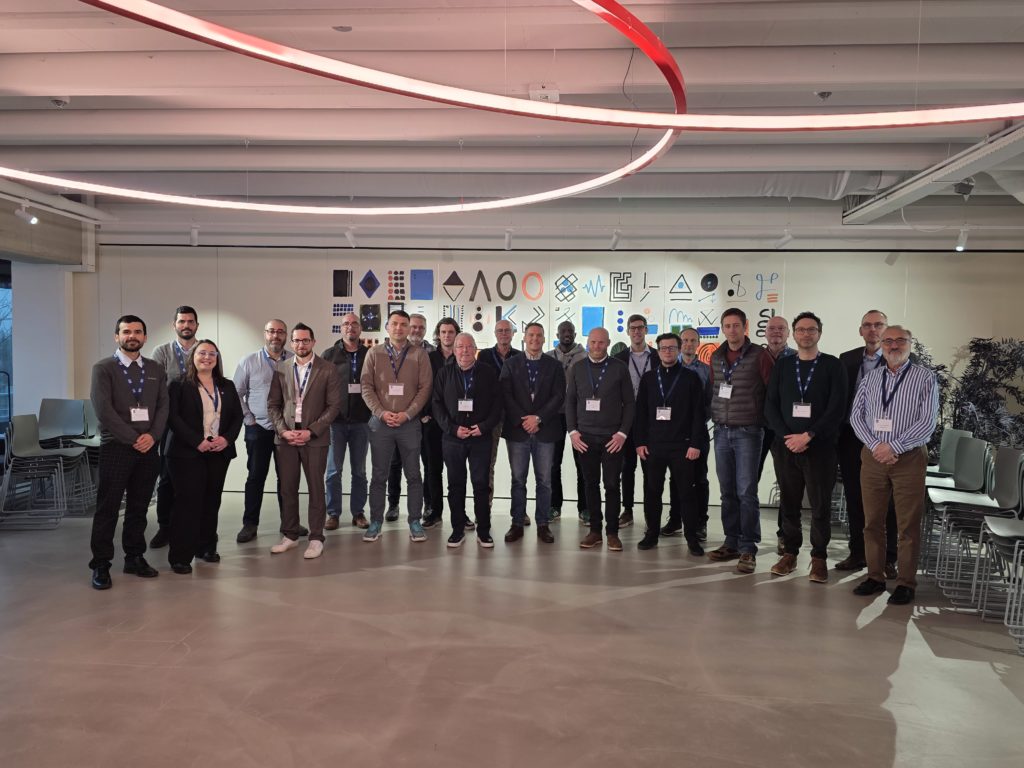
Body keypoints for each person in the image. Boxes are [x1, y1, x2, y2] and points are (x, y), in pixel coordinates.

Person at [850, 325, 938, 605]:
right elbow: (856, 417)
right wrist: (876, 446)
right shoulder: (871, 378)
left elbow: (927, 423)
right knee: (872, 522)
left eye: (900, 340)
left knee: (907, 525)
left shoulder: (925, 377)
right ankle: (875, 577)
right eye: (888, 341)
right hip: (873, 457)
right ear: (882, 344)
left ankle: (905, 583)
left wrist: (894, 447)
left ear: (910, 343)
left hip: (908, 458)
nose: (893, 345)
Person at [763, 312, 847, 582]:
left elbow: (837, 407)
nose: (806, 334)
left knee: (820, 505)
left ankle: (819, 558)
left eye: (811, 330)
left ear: (819, 333)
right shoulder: (783, 366)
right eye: (801, 330)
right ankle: (789, 554)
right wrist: (788, 436)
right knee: (789, 503)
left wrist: (809, 435)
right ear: (794, 334)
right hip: (786, 446)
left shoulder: (833, 365)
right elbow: (770, 405)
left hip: (820, 447)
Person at [88, 315, 168, 590]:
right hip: (116, 447)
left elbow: (163, 406)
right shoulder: (104, 368)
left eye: (137, 332)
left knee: (139, 507)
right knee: (108, 508)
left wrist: (152, 436)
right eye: (126, 331)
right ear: (117, 336)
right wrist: (134, 438)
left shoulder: (155, 368)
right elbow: (104, 411)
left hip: (148, 448)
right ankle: (101, 564)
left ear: (145, 337)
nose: (132, 336)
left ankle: (134, 557)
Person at [165, 339, 243, 573]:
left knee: (212, 501)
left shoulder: (227, 385)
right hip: (186, 453)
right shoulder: (179, 385)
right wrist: (196, 441)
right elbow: (173, 418)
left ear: (217, 359)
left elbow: (237, 417)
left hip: (218, 452)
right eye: (202, 353)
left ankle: (206, 547)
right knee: (187, 503)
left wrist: (226, 439)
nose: (207, 357)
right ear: (193, 357)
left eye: (212, 354)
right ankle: (180, 556)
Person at [707, 308, 774, 574]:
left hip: (748, 431)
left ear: (745, 327)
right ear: (723, 328)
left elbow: (771, 391)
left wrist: (762, 420)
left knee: (746, 491)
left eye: (736, 325)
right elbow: (714, 390)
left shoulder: (760, 355)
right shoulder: (716, 356)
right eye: (727, 326)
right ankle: (731, 542)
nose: (732, 330)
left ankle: (748, 548)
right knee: (727, 491)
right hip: (721, 431)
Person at [267, 323, 341, 559]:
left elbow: (333, 407)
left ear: (313, 342)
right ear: (291, 343)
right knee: (288, 488)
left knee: (316, 489)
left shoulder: (327, 369)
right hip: (287, 439)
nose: (301, 344)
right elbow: (273, 405)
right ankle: (289, 535)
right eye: (297, 340)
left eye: (305, 340)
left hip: (315, 439)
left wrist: (312, 431)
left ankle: (316, 538)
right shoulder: (281, 368)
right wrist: (283, 431)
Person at [361, 310, 433, 543]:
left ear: (409, 328)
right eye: (395, 324)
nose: (399, 328)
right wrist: (381, 413)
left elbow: (425, 388)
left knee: (413, 475)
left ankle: (414, 521)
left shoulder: (420, 354)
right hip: (381, 424)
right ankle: (375, 521)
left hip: (409, 424)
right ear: (387, 327)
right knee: (378, 476)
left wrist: (407, 414)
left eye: (404, 324)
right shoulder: (374, 353)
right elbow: (366, 387)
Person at [836, 310, 900, 575]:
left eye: (878, 325)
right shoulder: (847, 359)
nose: (873, 329)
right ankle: (857, 553)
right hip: (852, 437)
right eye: (867, 325)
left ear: (886, 330)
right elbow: (841, 397)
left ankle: (888, 558)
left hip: (886, 441)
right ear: (860, 330)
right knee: (854, 497)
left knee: (888, 501)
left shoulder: (900, 358)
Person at [634, 333, 706, 554]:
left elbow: (698, 414)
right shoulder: (648, 379)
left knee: (686, 493)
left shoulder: (691, 378)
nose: (668, 351)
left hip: (683, 446)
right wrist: (639, 442)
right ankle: (651, 534)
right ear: (658, 352)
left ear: (679, 349)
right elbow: (640, 413)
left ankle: (691, 537)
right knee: (652, 492)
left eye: (672, 348)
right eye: (663, 348)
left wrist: (695, 444)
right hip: (653, 446)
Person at [566, 327, 635, 551]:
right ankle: (595, 531)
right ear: (587, 343)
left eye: (601, 342)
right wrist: (572, 431)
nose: (597, 346)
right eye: (593, 342)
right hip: (584, 437)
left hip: (612, 438)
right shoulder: (577, 368)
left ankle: (612, 532)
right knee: (590, 484)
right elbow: (570, 402)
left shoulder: (619, 367)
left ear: (608, 343)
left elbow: (629, 403)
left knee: (612, 485)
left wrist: (622, 433)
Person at [432, 333, 503, 548]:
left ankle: (484, 531)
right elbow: (437, 404)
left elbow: (498, 404)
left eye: (469, 346)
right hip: (453, 439)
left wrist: (484, 427)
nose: (465, 351)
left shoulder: (488, 373)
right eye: (460, 347)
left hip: (480, 437)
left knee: (481, 484)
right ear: (454, 350)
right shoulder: (444, 373)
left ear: (475, 350)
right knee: (455, 485)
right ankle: (457, 530)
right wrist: (453, 429)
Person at [232, 318, 298, 543]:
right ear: (265, 334)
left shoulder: (295, 360)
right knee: (255, 477)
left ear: (286, 335)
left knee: (287, 479)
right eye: (271, 331)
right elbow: (236, 393)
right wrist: (249, 419)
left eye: (280, 332)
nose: (276, 336)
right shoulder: (249, 361)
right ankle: (250, 524)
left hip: (286, 429)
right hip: (258, 429)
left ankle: (289, 523)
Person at [500, 322, 565, 545]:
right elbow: (505, 395)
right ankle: (517, 523)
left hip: (545, 429)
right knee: (518, 479)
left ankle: (543, 524)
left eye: (539, 335)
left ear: (544, 339)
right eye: (531, 335)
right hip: (518, 431)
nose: (535, 339)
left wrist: (538, 418)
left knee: (544, 481)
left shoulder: (554, 365)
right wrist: (524, 420)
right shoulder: (510, 364)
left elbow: (558, 396)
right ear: (524, 338)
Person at [149, 305, 199, 549]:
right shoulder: (162, 352)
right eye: (182, 321)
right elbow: (155, 388)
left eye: (190, 321)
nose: (186, 325)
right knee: (167, 478)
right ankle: (165, 527)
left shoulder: (205, 349)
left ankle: (195, 528)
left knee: (197, 479)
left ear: (196, 325)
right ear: (175, 325)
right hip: (170, 423)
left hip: (200, 424)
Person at [323, 313, 371, 530]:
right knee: (333, 470)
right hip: (336, 423)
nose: (350, 327)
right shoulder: (329, 355)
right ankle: (333, 513)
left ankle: (358, 513)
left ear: (360, 328)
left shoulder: (369, 354)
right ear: (341, 328)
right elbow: (321, 387)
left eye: (354, 324)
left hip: (362, 422)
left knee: (359, 471)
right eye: (346, 324)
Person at [664, 327, 712, 540]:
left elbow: (709, 403)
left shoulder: (706, 371)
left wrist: (696, 425)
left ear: (699, 343)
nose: (689, 344)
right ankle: (675, 520)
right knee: (675, 478)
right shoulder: (668, 368)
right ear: (679, 344)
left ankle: (701, 522)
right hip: (674, 434)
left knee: (700, 478)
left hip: (697, 433)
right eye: (685, 340)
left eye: (693, 340)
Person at [386, 313, 435, 520]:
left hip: (426, 419)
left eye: (421, 327)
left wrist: (425, 413)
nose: (416, 330)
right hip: (399, 418)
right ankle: (393, 504)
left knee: (427, 464)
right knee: (394, 463)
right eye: (413, 326)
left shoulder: (432, 353)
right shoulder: (389, 352)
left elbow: (431, 387)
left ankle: (428, 505)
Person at [613, 314, 655, 529]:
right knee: (627, 468)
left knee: (651, 469)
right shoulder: (618, 358)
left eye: (640, 327)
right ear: (628, 331)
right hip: (626, 420)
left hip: (651, 421)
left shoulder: (657, 356)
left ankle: (650, 512)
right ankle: (627, 510)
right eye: (633, 328)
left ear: (646, 330)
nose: (637, 331)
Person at [477, 318, 522, 515]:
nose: (504, 334)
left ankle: (519, 510)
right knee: (488, 464)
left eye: (507, 330)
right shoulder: (484, 355)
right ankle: (485, 508)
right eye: (500, 330)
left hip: (514, 416)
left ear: (513, 334)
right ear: (495, 334)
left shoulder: (520, 356)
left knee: (518, 467)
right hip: (491, 415)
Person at [760, 314, 796, 553]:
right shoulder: (755, 356)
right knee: (748, 480)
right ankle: (746, 533)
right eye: (772, 328)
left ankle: (785, 534)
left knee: (787, 483)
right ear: (765, 332)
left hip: (784, 428)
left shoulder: (797, 358)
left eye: (781, 328)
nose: (776, 332)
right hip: (756, 426)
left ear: (788, 333)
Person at [421, 318, 460, 529]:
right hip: (433, 422)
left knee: (456, 471)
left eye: (451, 332)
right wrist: (423, 414)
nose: (447, 335)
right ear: (438, 334)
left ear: (456, 334)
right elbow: (421, 387)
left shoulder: (463, 356)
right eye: (443, 332)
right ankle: (434, 512)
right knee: (432, 469)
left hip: (456, 423)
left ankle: (460, 514)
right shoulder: (428, 358)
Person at [548, 320, 588, 523]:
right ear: (557, 334)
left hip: (578, 417)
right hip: (553, 417)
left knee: (583, 464)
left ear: (575, 334)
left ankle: (585, 508)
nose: (566, 333)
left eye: (570, 331)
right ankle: (554, 506)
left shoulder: (585, 357)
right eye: (563, 330)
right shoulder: (548, 357)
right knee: (553, 464)